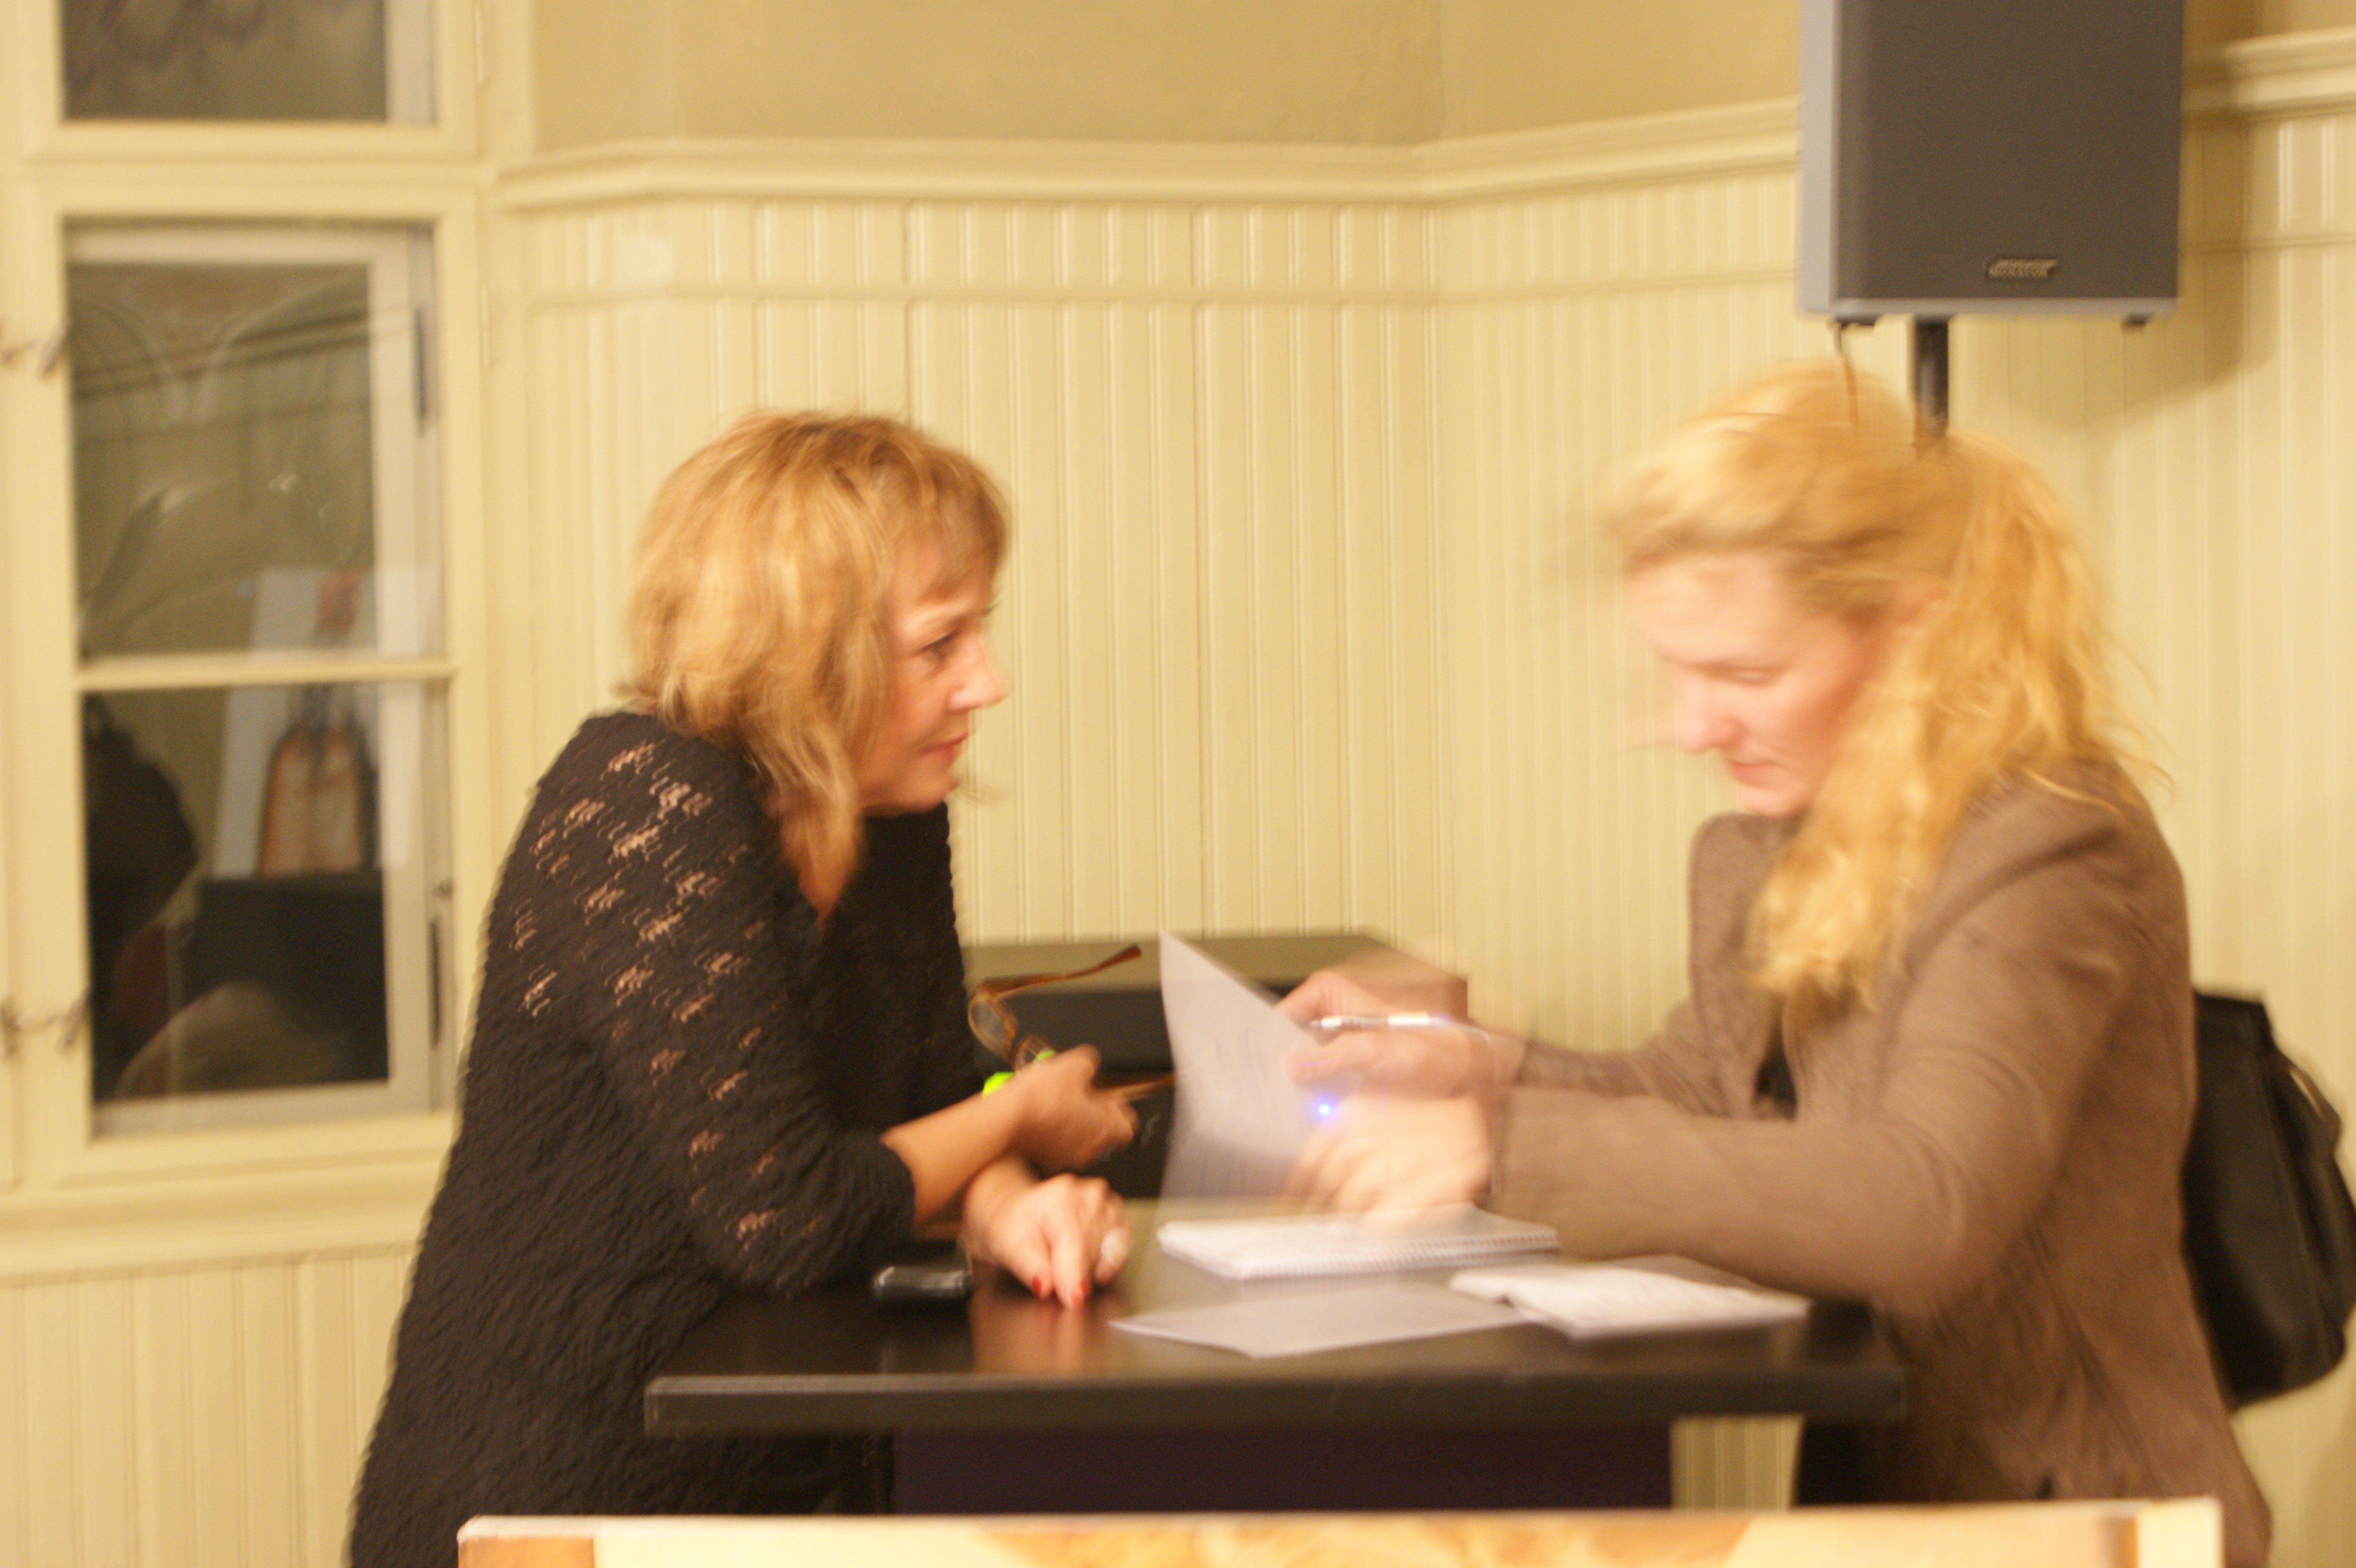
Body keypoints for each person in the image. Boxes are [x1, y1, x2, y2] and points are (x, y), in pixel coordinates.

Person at [1282, 362, 2269, 1566]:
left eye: (1745, 675)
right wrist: (1468, 1069)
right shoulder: (1781, 841)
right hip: (1893, 1494)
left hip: (2088, 1510)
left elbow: (1928, 1200)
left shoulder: (2051, 843)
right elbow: (1701, 1090)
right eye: (1677, 672)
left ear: (1910, 630)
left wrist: (1505, 1146)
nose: (1692, 726)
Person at [350, 413, 1136, 1567]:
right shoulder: (642, 797)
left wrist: (1010, 1206)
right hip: (552, 1492)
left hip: (783, 1486)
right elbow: (787, 1215)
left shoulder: (892, 818)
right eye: (941, 643)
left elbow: (929, 1105)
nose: (989, 680)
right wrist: (1020, 1113)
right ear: (810, 653)